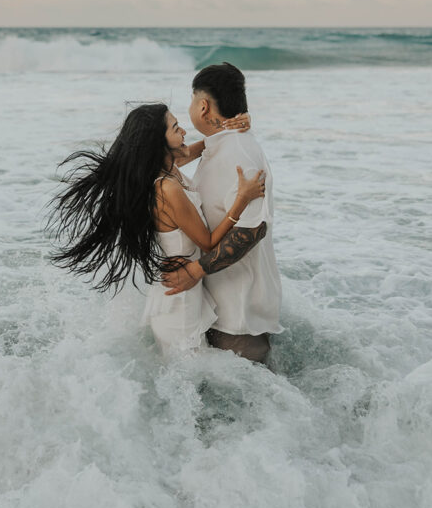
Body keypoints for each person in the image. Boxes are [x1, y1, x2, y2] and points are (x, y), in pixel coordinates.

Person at [46, 102, 265, 355]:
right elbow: (208, 242)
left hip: (182, 289)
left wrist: (237, 125)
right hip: (179, 299)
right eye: (175, 128)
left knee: (189, 376)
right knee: (187, 379)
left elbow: (205, 147)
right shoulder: (166, 188)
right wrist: (242, 199)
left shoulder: (169, 166)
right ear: (157, 142)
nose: (183, 131)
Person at [162, 63, 283, 364]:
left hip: (238, 314)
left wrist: (196, 271)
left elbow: (253, 230)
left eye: (191, 100)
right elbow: (171, 160)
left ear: (203, 107)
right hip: (214, 307)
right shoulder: (220, 147)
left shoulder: (238, 153)